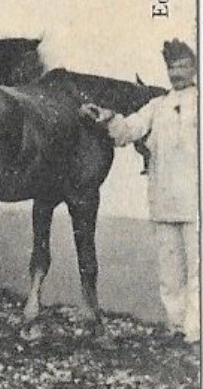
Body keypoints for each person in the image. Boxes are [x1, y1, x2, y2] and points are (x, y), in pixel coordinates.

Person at [82, 38, 200, 342]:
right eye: (172, 67)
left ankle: (195, 331)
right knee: (170, 271)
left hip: (196, 203)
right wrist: (106, 117)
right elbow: (128, 131)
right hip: (163, 200)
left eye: (183, 66)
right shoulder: (156, 107)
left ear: (194, 68)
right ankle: (176, 327)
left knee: (198, 271)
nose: (176, 73)